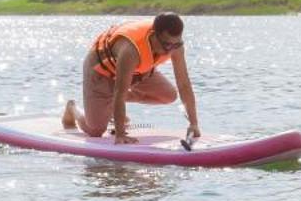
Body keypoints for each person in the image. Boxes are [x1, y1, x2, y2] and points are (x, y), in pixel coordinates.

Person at [61, 12, 200, 146]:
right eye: (167, 45)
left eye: (176, 44)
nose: (170, 51)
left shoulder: (175, 46)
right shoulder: (131, 50)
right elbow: (119, 92)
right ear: (153, 36)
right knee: (95, 131)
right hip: (101, 70)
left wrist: (194, 124)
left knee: (168, 95)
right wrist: (120, 134)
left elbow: (184, 84)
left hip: (136, 71)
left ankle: (108, 105)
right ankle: (73, 108)